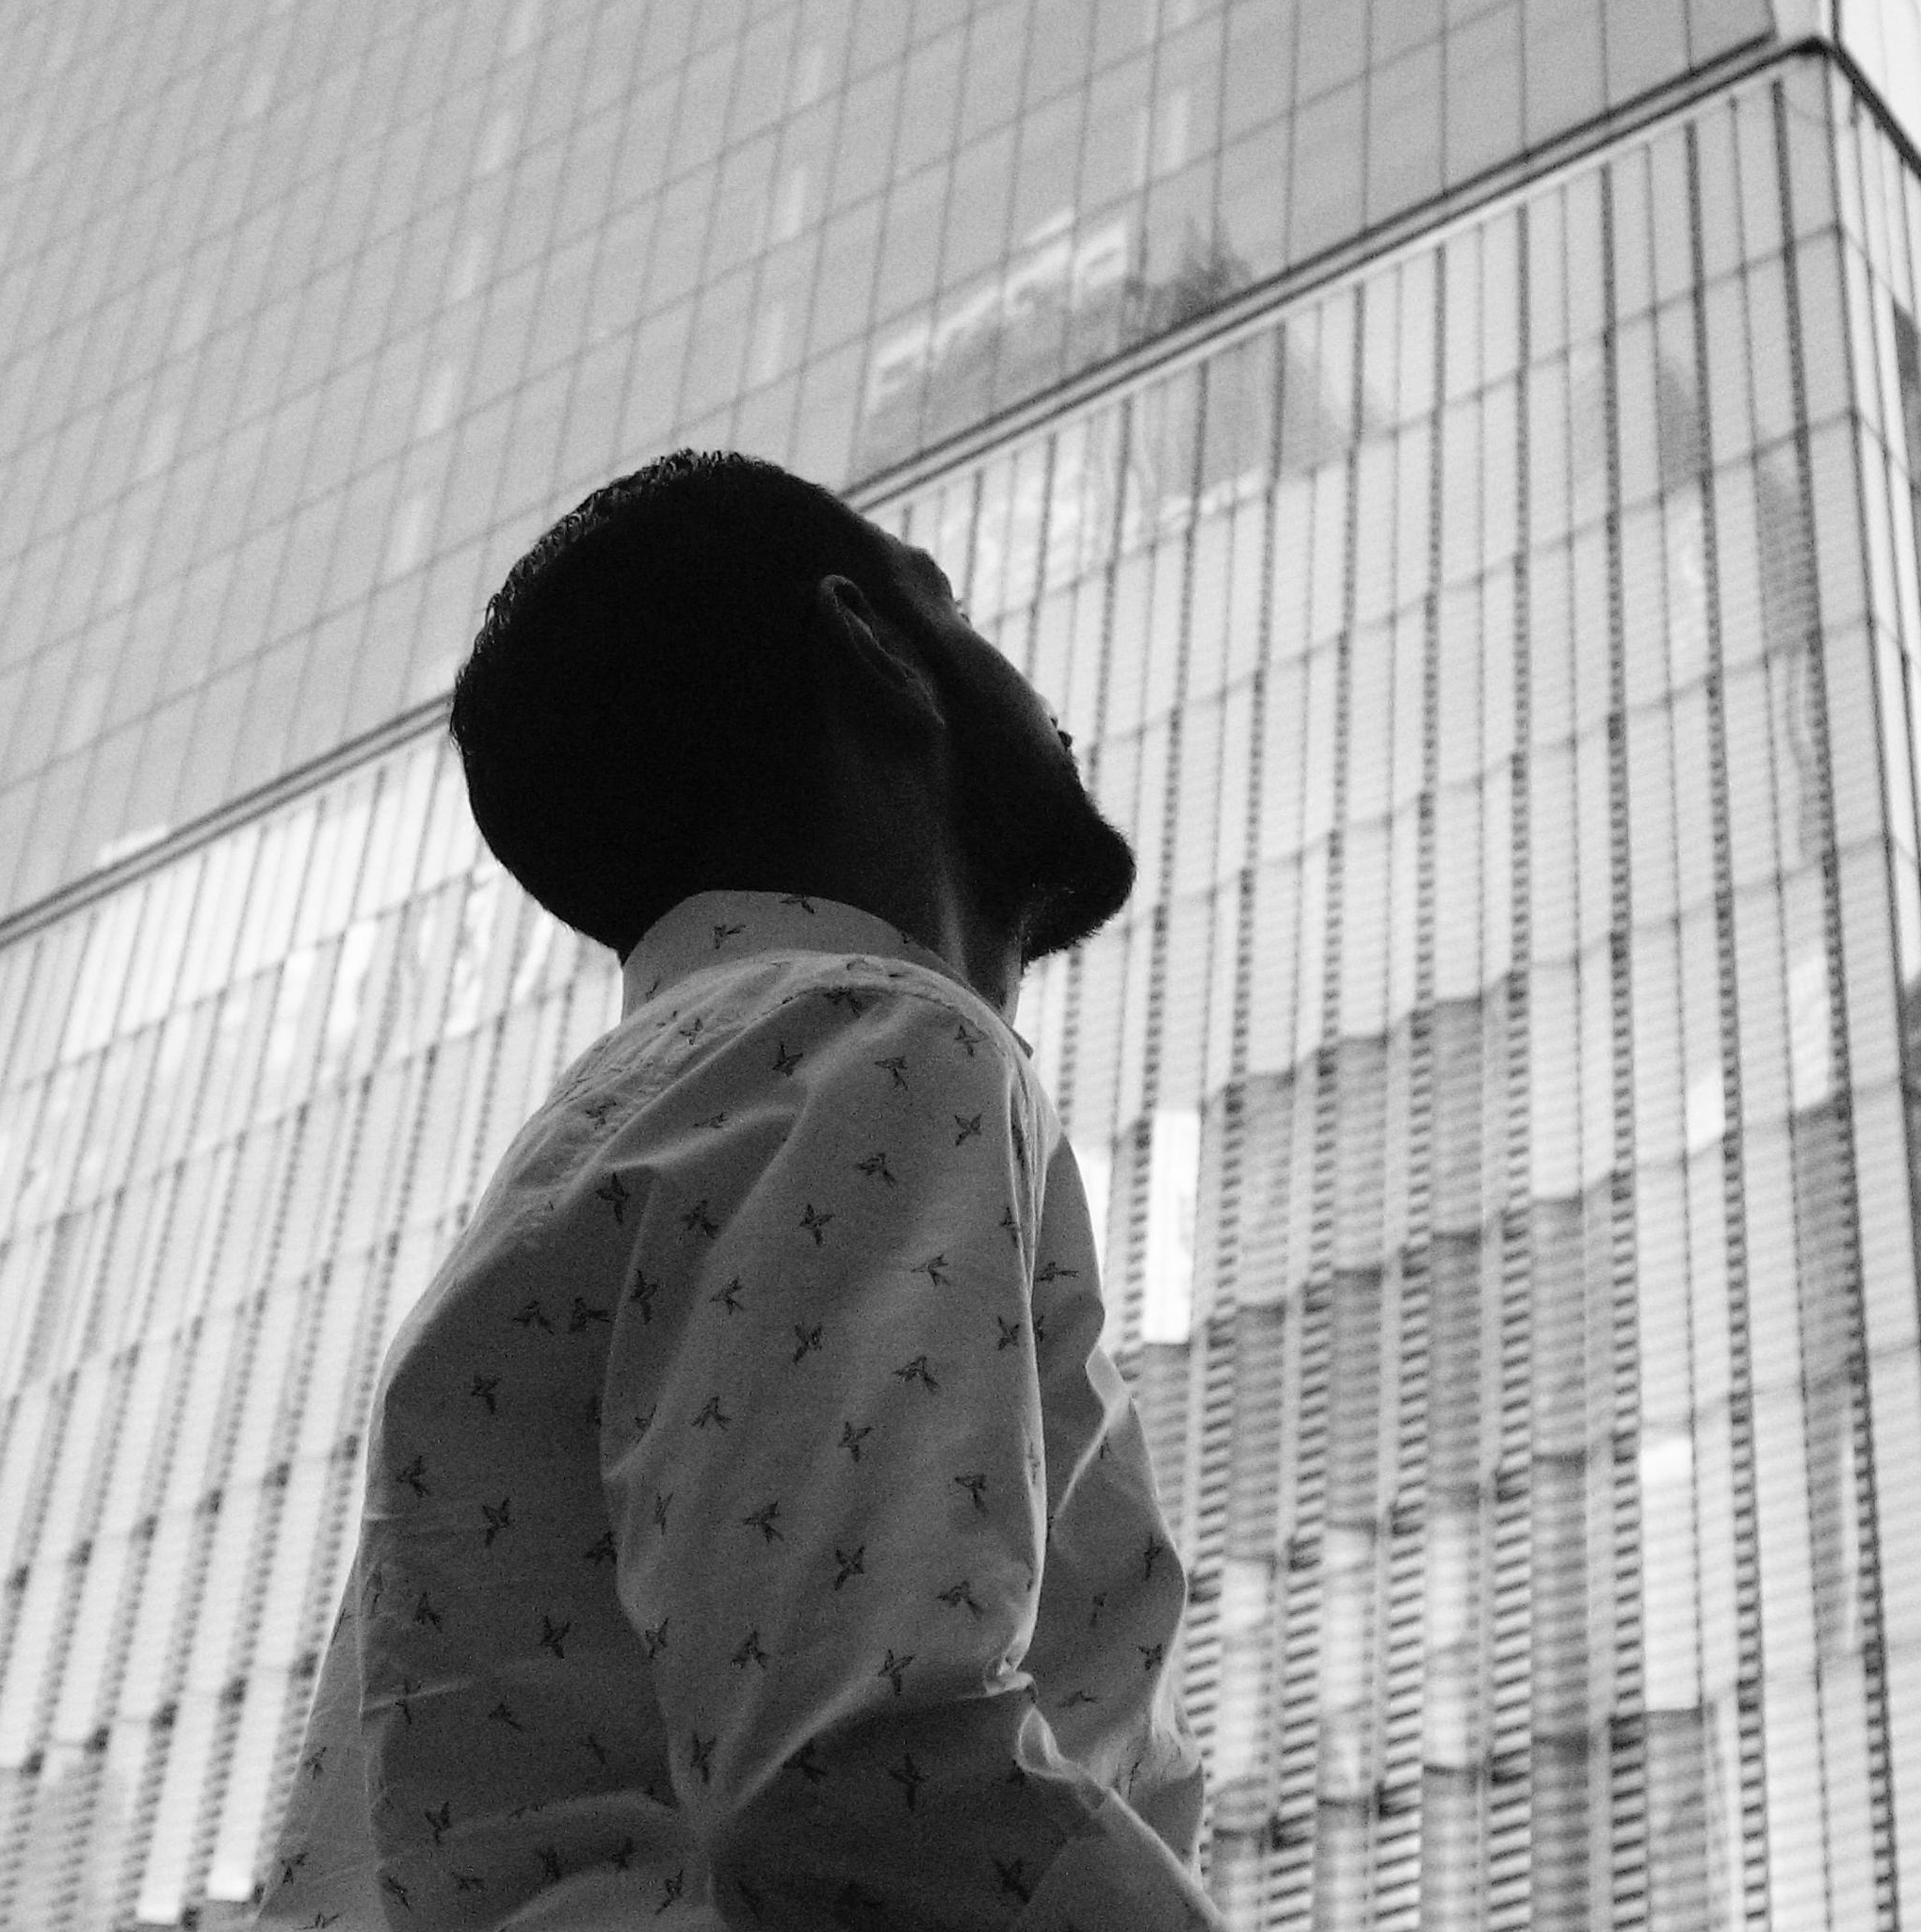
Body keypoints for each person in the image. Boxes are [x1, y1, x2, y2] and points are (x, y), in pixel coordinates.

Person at [256, 452, 1220, 1928]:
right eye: (953, 606)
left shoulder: (625, 1132)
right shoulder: (871, 1041)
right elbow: (865, 1774)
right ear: (874, 643)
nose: (1037, 689)